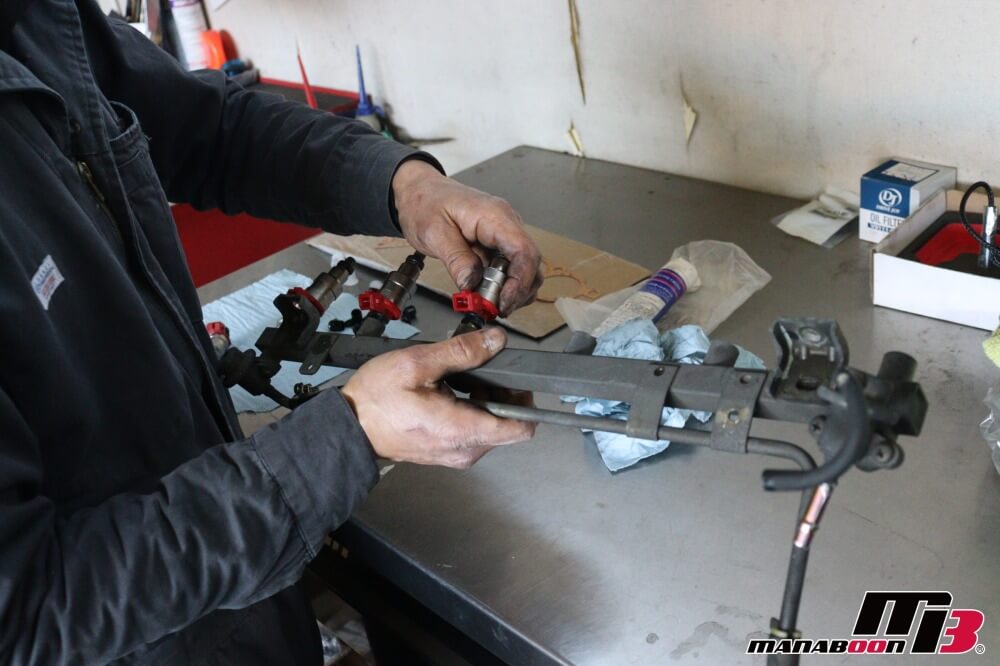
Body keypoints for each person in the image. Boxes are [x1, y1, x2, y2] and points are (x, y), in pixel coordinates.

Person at [0, 1, 542, 664]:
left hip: (250, 590)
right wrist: (345, 441)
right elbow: (30, 615)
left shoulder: (35, 20)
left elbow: (213, 130)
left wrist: (403, 186)